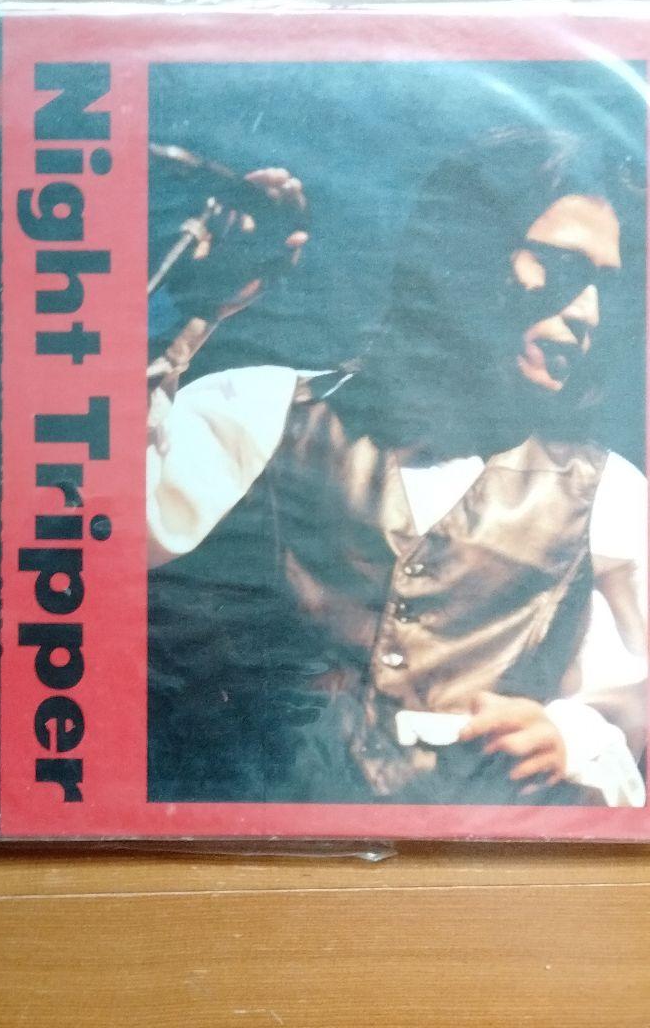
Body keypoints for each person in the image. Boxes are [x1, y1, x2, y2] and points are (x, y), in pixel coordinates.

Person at [146, 128, 647, 807]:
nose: (587, 313)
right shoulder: (256, 411)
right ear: (461, 253)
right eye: (559, 268)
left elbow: (626, 715)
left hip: (462, 859)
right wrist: (188, 310)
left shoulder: (609, 496)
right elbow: (91, 544)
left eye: (604, 287)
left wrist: (567, 736)